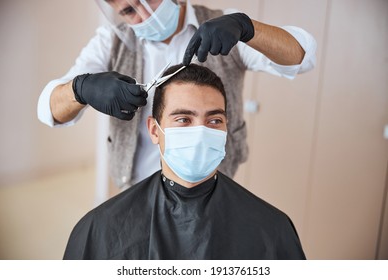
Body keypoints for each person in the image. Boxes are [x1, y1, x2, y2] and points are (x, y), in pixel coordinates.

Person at [37, 0, 317, 189]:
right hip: (137, 185)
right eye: (129, 11)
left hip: (213, 187)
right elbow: (48, 109)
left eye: (150, 0)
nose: (146, 16)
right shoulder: (109, 43)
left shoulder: (225, 28)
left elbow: (302, 58)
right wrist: (81, 89)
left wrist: (247, 29)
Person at [63, 64, 306, 260]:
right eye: (183, 119)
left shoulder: (272, 229)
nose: (200, 133)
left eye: (213, 121)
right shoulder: (100, 229)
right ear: (154, 130)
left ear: (226, 128)